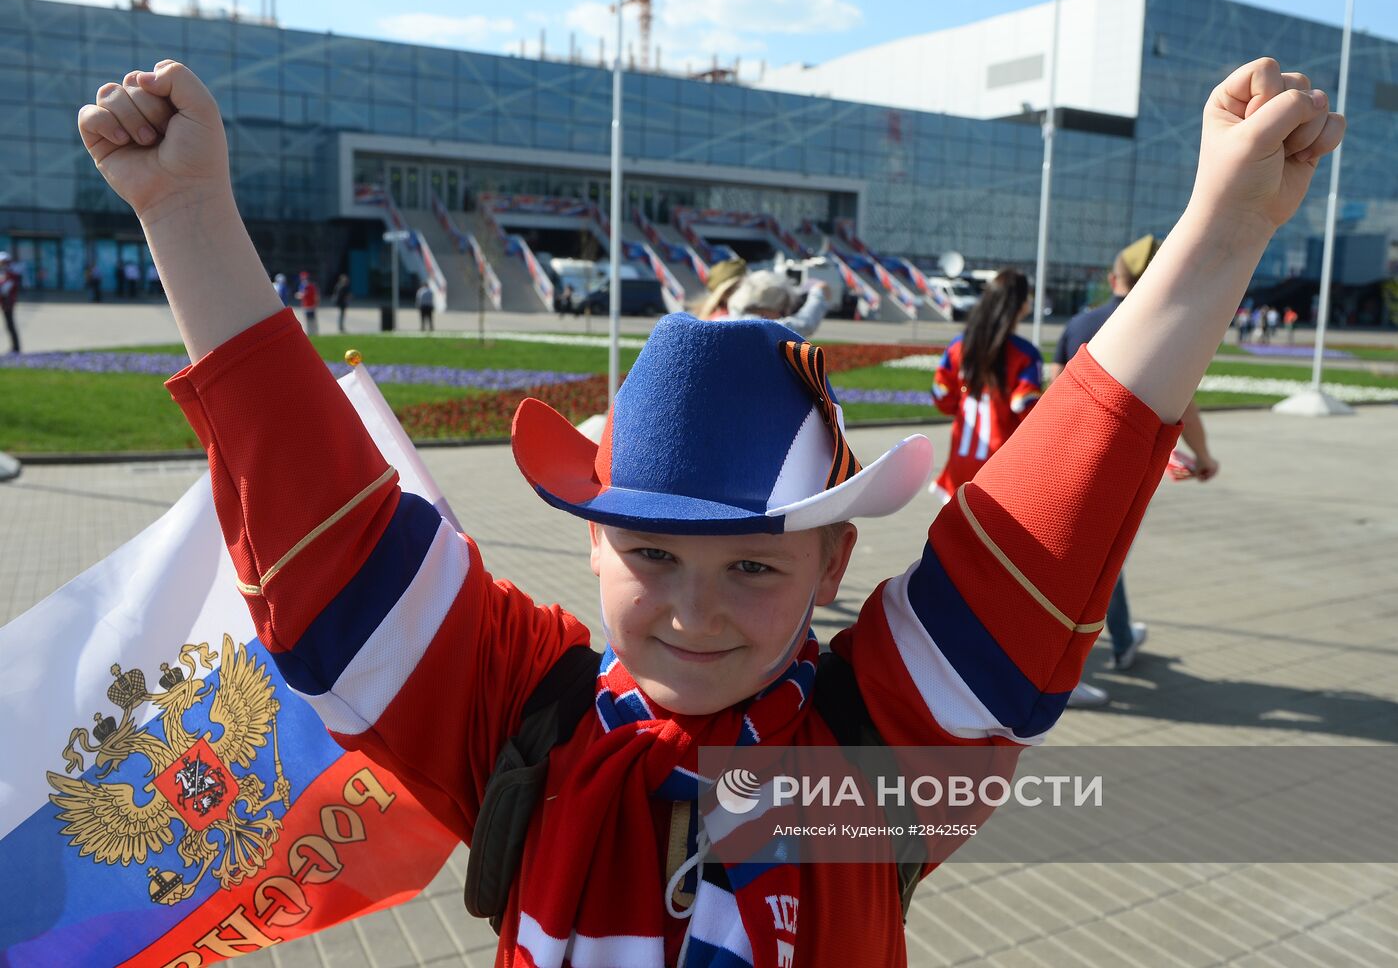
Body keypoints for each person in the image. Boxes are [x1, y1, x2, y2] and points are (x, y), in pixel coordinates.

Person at [78, 56, 1341, 965]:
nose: (690, 609)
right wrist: (188, 217)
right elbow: (328, 540)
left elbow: (1040, 540)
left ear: (837, 556)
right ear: (591, 537)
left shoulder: (870, 757)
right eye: (649, 551)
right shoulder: (528, 715)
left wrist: (1220, 232)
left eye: (754, 567)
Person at [1049, 233, 1223, 707]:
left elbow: (1055, 397)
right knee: (1100, 562)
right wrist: (1203, 458)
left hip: (1068, 459)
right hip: (1125, 471)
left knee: (1085, 560)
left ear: (1113, 280)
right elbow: (1186, 405)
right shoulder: (1170, 328)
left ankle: (1116, 642)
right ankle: (1068, 667)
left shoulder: (1081, 322)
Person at [928, 268, 1040, 506]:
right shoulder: (1025, 354)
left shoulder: (959, 346)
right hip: (999, 467)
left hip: (960, 461)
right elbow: (1025, 407)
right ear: (1020, 305)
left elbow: (942, 397)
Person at [701, 268, 828, 339]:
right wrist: (818, 292)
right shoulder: (763, 329)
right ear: (768, 308)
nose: (783, 317)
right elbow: (806, 323)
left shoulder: (718, 320)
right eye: (782, 312)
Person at [0, 251, 19, 353]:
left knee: (10, 326)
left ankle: (16, 348)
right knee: (9, 326)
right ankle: (15, 348)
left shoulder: (10, 274)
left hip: (8, 303)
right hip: (5, 303)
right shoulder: (5, 274)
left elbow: (5, 290)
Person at [295, 270, 318, 334]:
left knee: (309, 320)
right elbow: (316, 296)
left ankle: (311, 332)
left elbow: (304, 295)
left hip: (308, 306)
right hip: (309, 305)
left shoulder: (307, 287)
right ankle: (313, 332)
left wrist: (298, 295)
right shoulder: (311, 286)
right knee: (311, 320)